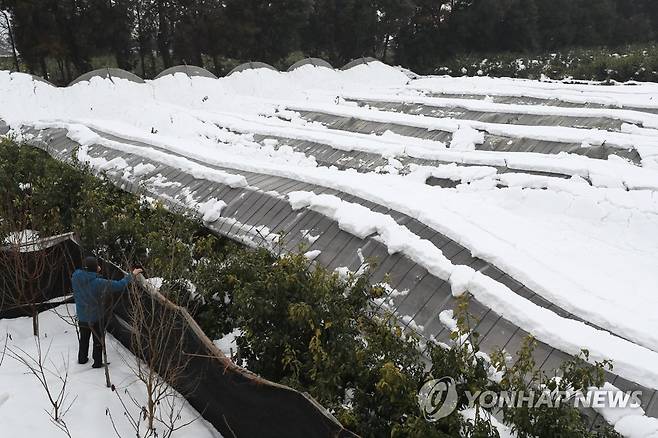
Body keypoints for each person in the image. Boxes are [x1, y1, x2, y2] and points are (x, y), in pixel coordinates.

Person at [71, 256, 143, 368]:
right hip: (96, 317)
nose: (99, 267)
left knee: (84, 339)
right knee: (98, 340)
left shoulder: (75, 277)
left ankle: (82, 359)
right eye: (97, 266)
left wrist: (94, 270)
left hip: (82, 316)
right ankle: (97, 363)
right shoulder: (97, 283)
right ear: (93, 269)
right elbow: (119, 285)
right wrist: (132, 274)